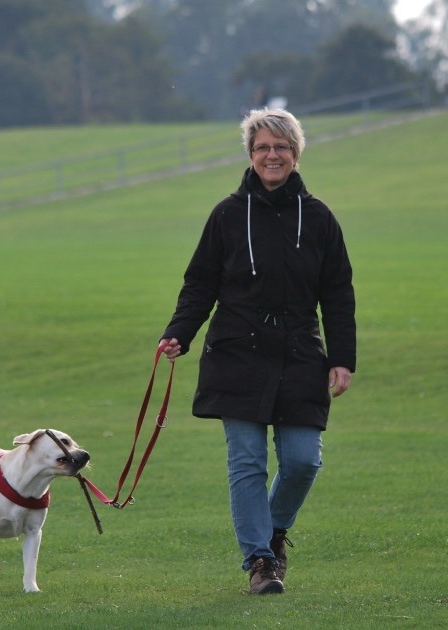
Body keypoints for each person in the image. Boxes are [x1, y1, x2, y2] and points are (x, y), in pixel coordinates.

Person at [159, 108, 356, 595]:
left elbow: (337, 293)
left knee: (303, 460)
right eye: (264, 147)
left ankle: (274, 531)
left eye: (282, 147)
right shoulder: (227, 215)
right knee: (246, 460)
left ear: (295, 155)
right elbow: (200, 283)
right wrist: (179, 332)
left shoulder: (320, 217)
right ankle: (261, 561)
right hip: (236, 351)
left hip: (299, 352)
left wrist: (342, 356)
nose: (273, 155)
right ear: (251, 154)